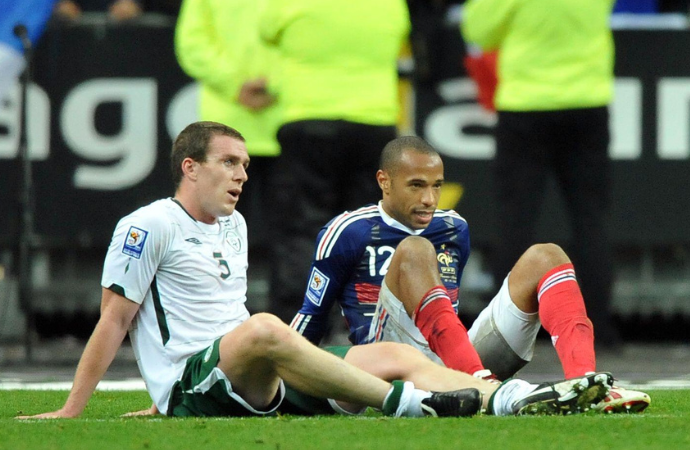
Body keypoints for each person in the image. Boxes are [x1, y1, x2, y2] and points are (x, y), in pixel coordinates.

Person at [16, 122, 612, 420]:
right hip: (212, 373)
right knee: (266, 327)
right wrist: (82, 406)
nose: (242, 175)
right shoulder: (146, 225)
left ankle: (508, 398)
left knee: (395, 357)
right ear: (190, 168)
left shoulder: (234, 224)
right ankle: (409, 407)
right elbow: (114, 321)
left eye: (246, 165)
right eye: (229, 164)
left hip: (248, 371)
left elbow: (222, 319)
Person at [291, 135, 650, 414]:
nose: (430, 198)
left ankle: (586, 383)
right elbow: (311, 318)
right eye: (416, 185)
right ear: (384, 181)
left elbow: (445, 309)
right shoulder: (347, 230)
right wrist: (281, 381)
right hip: (382, 367)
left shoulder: (453, 227)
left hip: (453, 356)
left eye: (436, 185)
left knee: (547, 255)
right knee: (415, 251)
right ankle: (484, 387)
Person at [460, 0, 621, 347]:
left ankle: (503, 336)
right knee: (591, 221)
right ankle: (597, 331)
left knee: (515, 222)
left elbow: (478, 31)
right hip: (586, 102)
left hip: (525, 105)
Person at [258, 0, 410, 323]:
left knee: (302, 228)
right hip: (374, 120)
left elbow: (266, 30)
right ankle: (370, 325)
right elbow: (400, 35)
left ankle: (299, 330)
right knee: (370, 230)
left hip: (308, 117)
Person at [174, 0, 281, 250]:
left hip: (230, 128)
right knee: (293, 234)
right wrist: (275, 85)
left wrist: (235, 85)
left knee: (214, 228)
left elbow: (194, 44)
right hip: (282, 120)